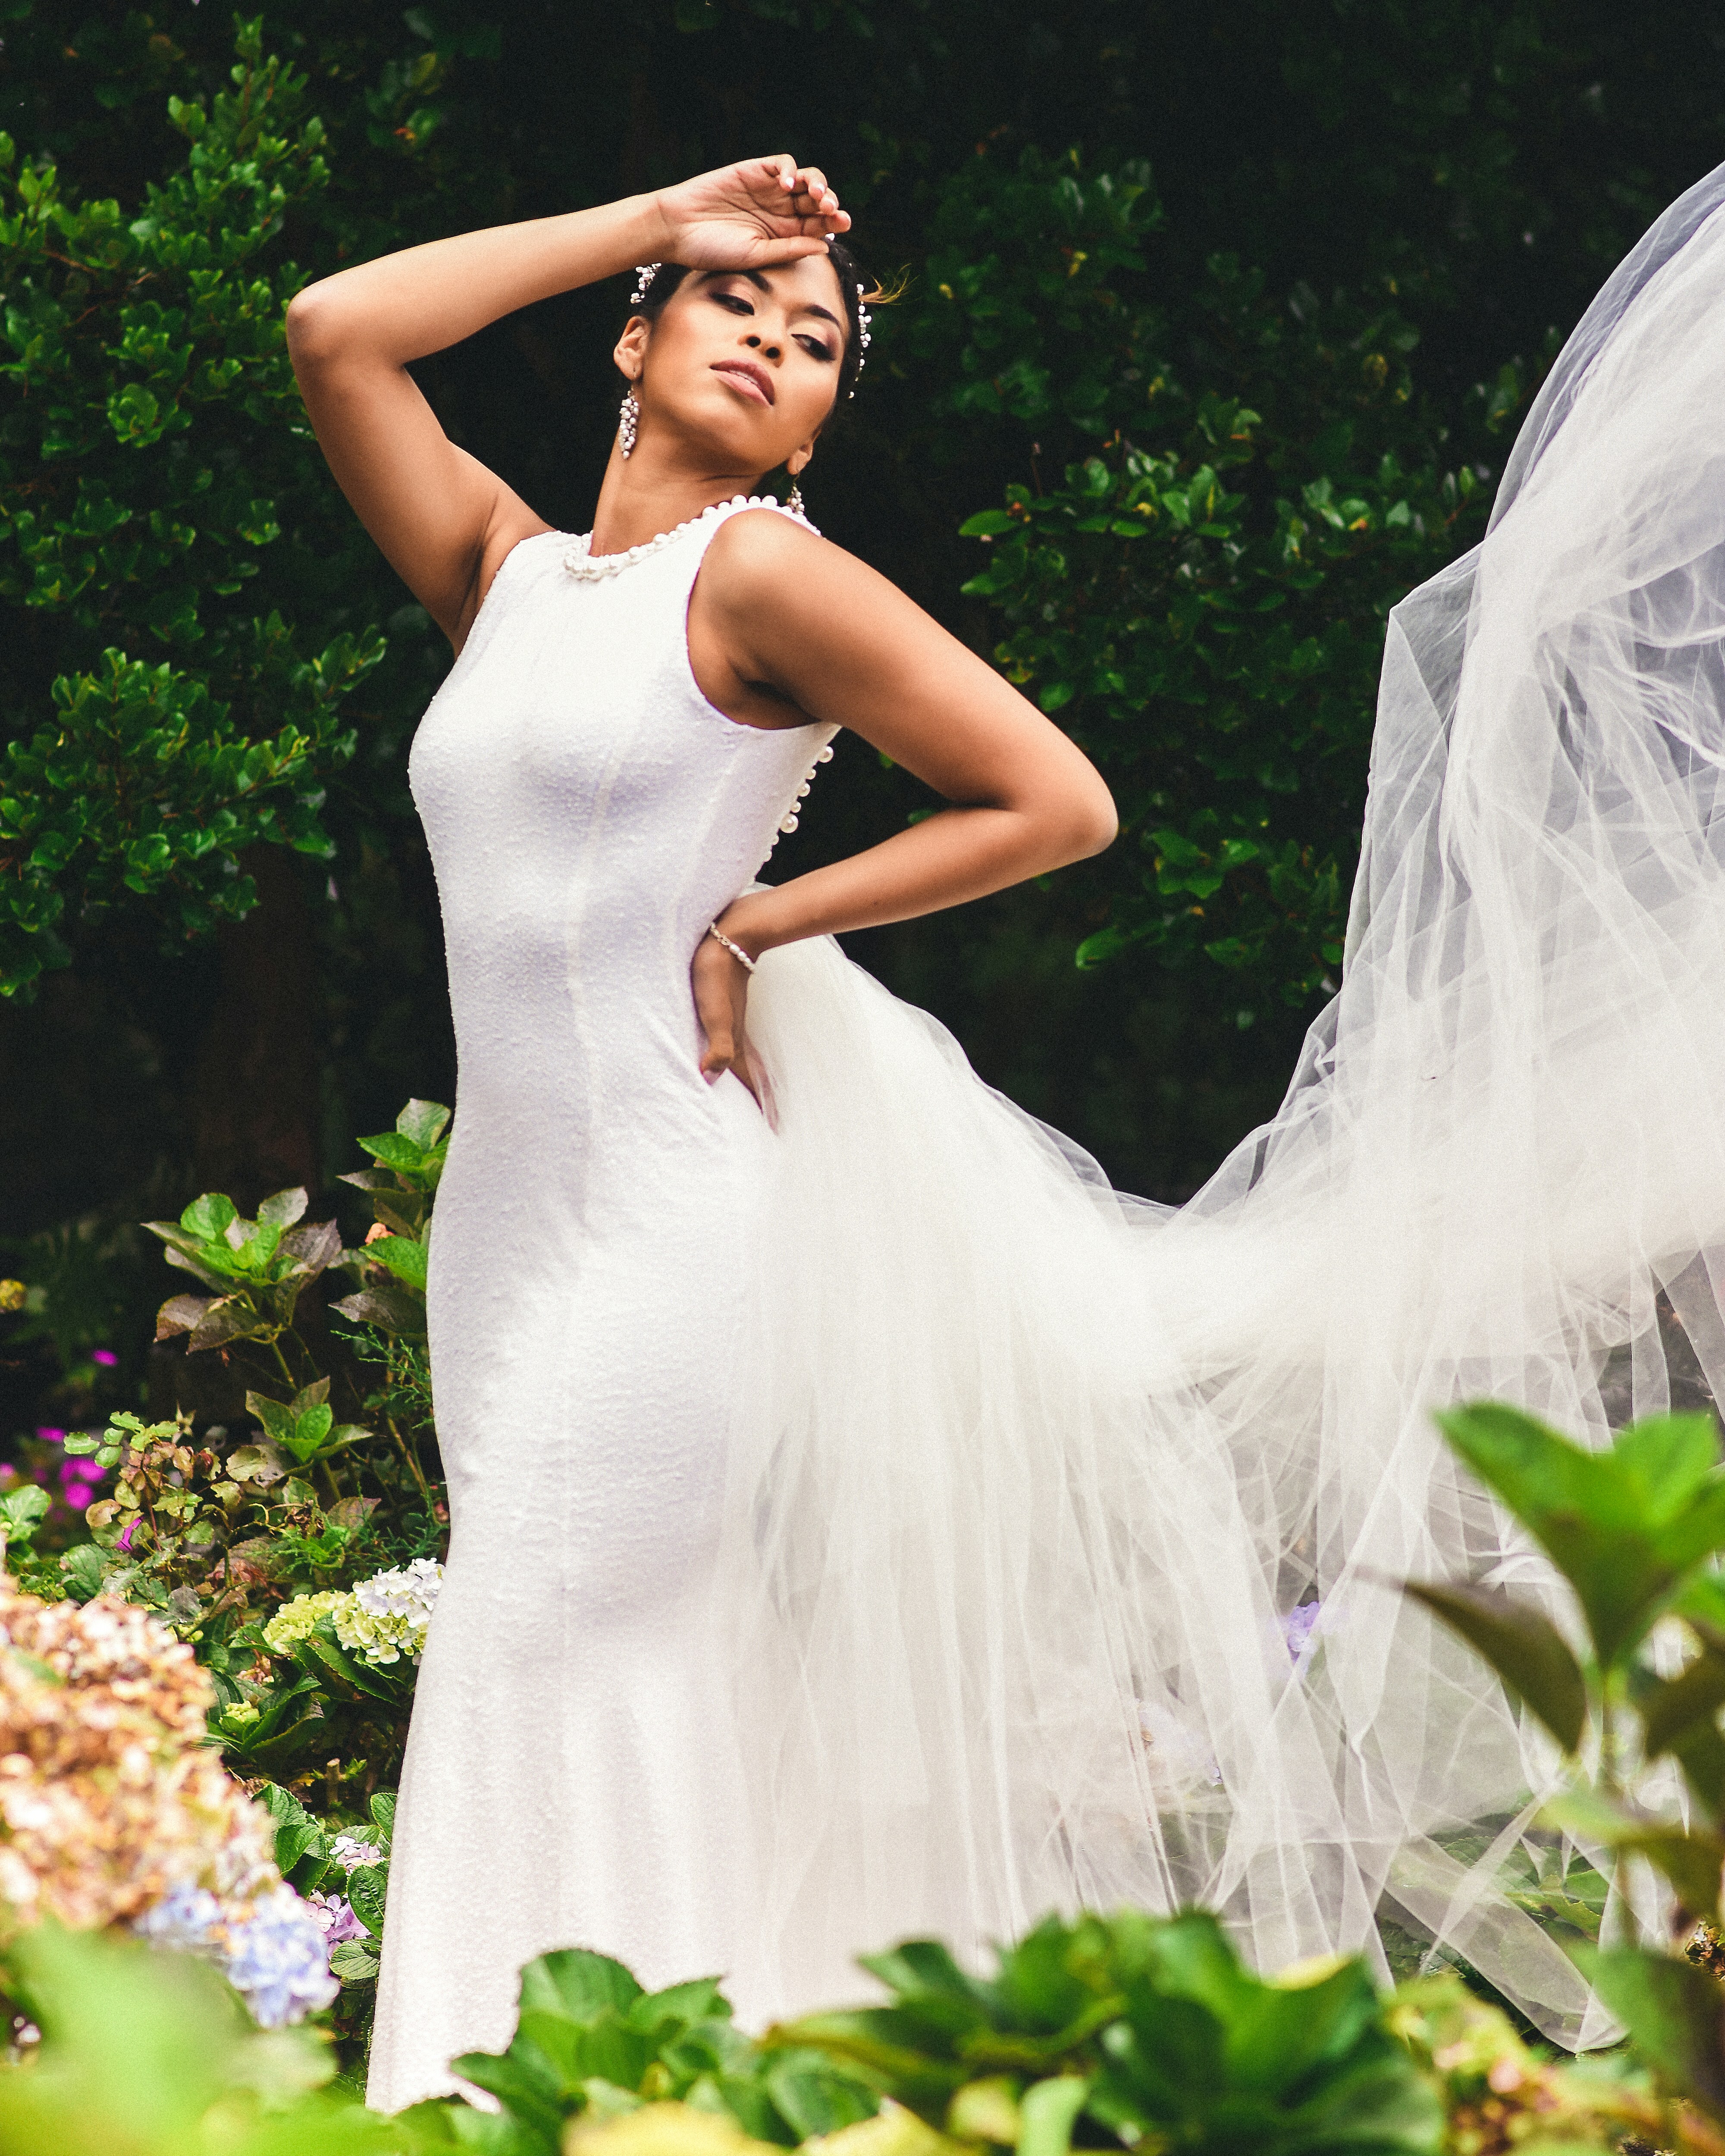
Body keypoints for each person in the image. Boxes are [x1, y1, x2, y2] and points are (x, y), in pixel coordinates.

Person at [292, 150, 1725, 2110]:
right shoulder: (509, 576)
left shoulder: (764, 574)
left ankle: (496, 2100)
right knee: (607, 1668)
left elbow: (1052, 796)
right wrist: (660, 214)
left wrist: (777, 914)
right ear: (635, 336)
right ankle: (690, 2094)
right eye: (738, 308)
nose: (781, 349)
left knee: (538, 1641)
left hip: (677, 1228)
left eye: (818, 349)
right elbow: (335, 328)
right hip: (511, 1242)